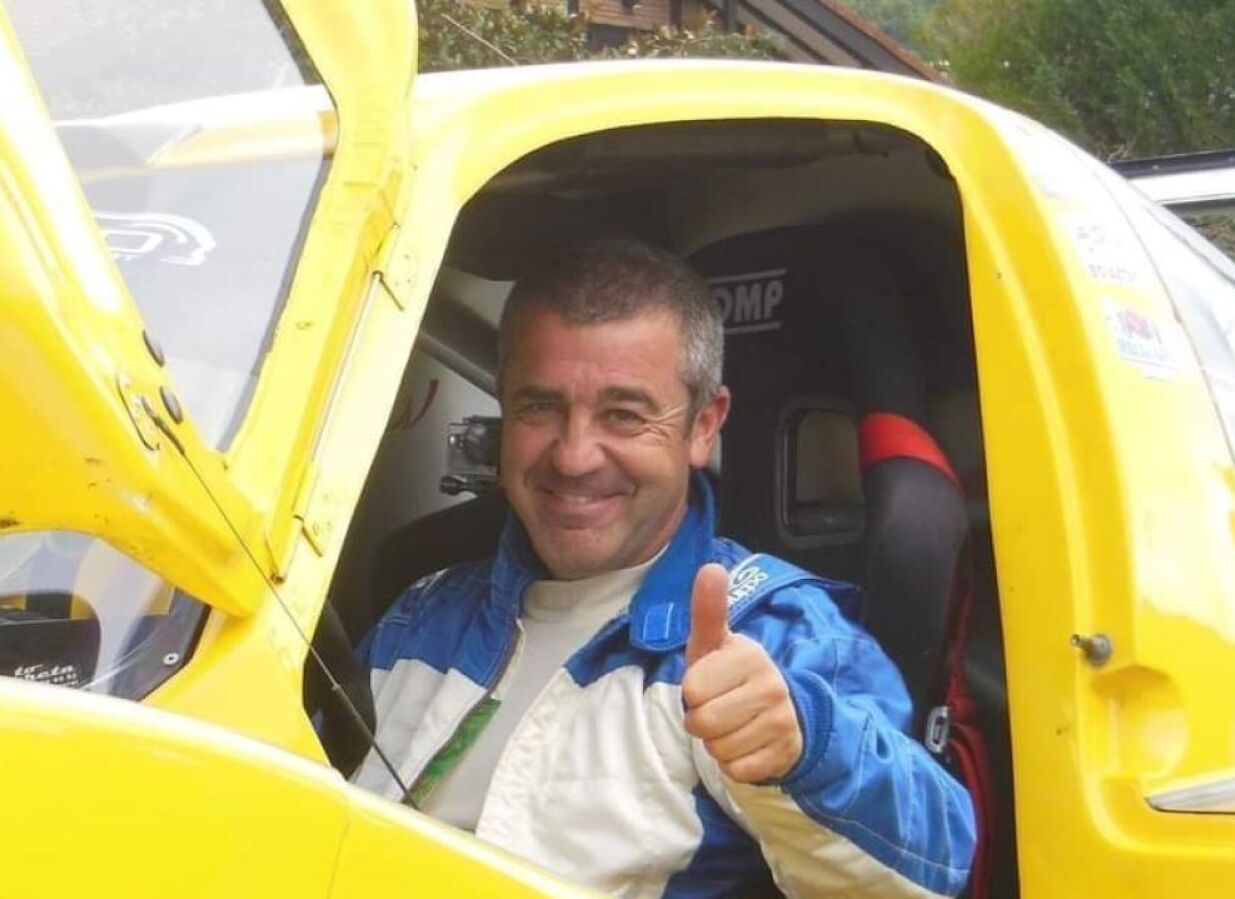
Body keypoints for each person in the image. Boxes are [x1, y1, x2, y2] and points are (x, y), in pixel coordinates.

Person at [353, 238, 976, 898]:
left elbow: (935, 865)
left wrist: (808, 747)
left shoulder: (771, 633)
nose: (574, 456)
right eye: (540, 407)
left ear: (704, 426)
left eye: (623, 415)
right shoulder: (421, 611)